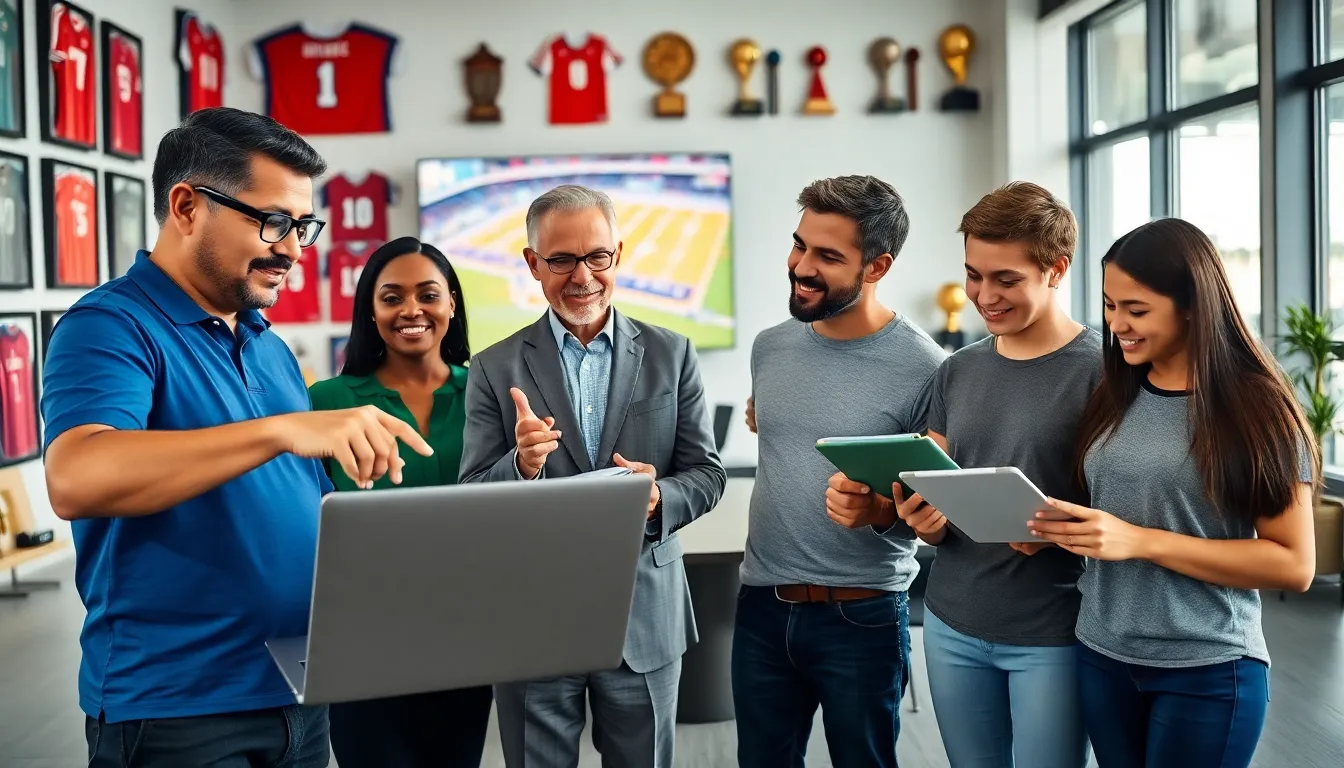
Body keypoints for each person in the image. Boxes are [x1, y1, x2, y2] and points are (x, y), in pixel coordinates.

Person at [40, 107, 432, 768]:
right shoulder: (109, 325)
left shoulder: (265, 344)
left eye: (303, 226)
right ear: (187, 205)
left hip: (300, 690)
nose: (294, 249)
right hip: (179, 708)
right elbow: (77, 475)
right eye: (273, 221)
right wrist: (283, 429)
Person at [1027, 217, 1317, 768]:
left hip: (1206, 666)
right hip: (1103, 652)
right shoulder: (1116, 391)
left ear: (1193, 305)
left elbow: (1294, 564)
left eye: (1136, 311)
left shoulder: (1257, 410)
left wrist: (1141, 541)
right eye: (1111, 306)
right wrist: (1060, 533)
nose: (1117, 326)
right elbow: (1122, 514)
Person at [458, 184, 726, 768]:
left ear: (618, 254)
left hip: (644, 617)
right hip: (534, 620)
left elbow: (707, 473)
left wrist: (659, 497)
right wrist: (520, 467)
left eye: (596, 256)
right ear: (533, 263)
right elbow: (473, 495)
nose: (582, 276)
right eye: (561, 260)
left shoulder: (672, 353)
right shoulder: (493, 366)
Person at [736, 175, 945, 768]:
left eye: (827, 256)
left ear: (876, 266)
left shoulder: (927, 368)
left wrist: (879, 512)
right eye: (800, 244)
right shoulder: (769, 347)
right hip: (761, 605)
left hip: (863, 614)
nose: (801, 266)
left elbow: (931, 515)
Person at [906, 182, 1097, 768]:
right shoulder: (957, 370)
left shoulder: (1105, 373)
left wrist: (1065, 530)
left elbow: (1138, 511)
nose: (982, 296)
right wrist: (924, 520)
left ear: (1056, 269)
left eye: (1005, 279)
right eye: (973, 274)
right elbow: (935, 484)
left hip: (1055, 631)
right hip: (950, 623)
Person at [308, 237, 492, 768]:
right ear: (371, 308)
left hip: (467, 635)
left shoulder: (490, 392)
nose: (411, 310)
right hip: (364, 640)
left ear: (452, 303)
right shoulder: (327, 402)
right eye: (392, 297)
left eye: (428, 294)